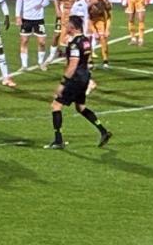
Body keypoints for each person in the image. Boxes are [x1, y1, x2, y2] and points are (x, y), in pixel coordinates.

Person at [47, 15, 111, 150]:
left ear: (73, 27)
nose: (66, 27)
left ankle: (58, 140)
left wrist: (63, 83)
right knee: (80, 107)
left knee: (56, 105)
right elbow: (85, 60)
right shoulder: (86, 41)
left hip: (75, 78)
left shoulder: (75, 44)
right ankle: (103, 131)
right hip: (84, 76)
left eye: (67, 25)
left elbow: (73, 65)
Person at [15, 0, 48, 71]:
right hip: (26, 18)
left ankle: (40, 62)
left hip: (39, 18)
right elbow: (19, 2)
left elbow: (46, 1)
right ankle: (24, 65)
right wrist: (17, 16)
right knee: (24, 41)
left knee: (42, 42)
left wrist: (41, 5)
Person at [43, 0, 77, 71]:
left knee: (71, 38)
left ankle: (70, 60)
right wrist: (57, 10)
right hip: (61, 17)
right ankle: (51, 56)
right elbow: (56, 0)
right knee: (56, 35)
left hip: (72, 18)